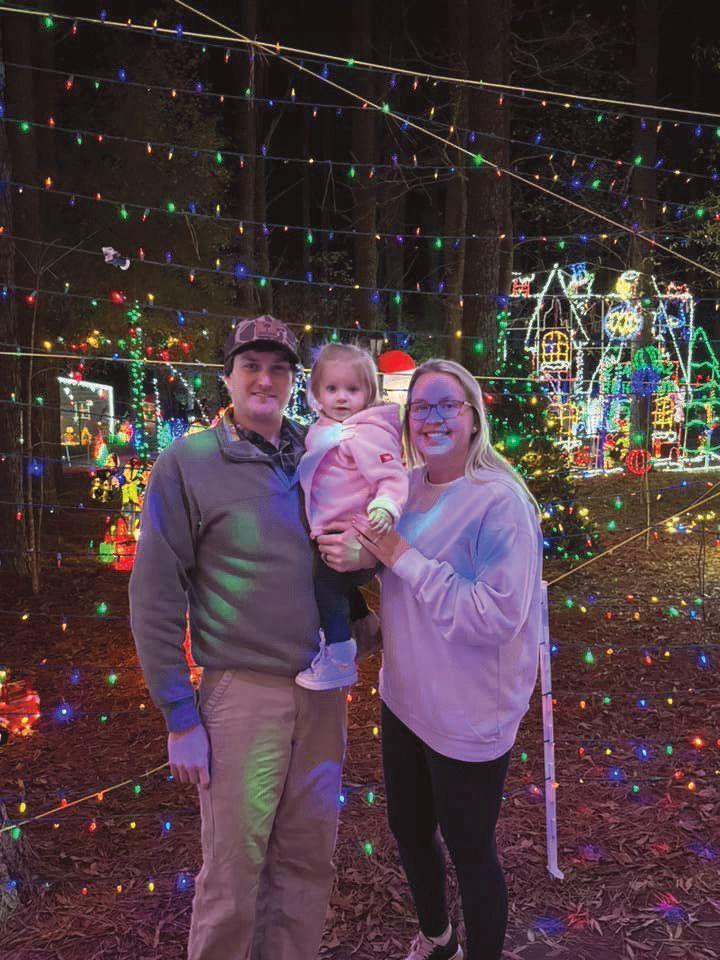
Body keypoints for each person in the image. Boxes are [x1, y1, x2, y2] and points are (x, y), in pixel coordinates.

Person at [129, 315, 349, 960]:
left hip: (322, 695)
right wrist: (179, 716)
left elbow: (347, 558)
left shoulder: (322, 455)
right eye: (251, 366)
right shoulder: (190, 463)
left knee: (308, 861)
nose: (265, 379)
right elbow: (156, 593)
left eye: (279, 368)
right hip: (242, 694)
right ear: (226, 377)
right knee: (232, 873)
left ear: (294, 381)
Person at [320, 358, 543, 960]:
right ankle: (438, 939)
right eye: (421, 406)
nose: (434, 418)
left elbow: (495, 617)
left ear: (473, 418)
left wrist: (403, 557)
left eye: (448, 405)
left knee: (471, 850)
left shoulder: (500, 502)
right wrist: (357, 593)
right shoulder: (403, 489)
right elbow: (371, 559)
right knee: (410, 831)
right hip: (404, 700)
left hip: (469, 713)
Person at [296, 343, 408, 691]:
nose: (342, 397)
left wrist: (384, 506)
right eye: (332, 388)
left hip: (354, 530)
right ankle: (362, 625)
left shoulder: (364, 432)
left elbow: (391, 476)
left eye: (352, 389)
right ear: (317, 393)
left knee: (325, 587)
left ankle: (339, 656)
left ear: (369, 393)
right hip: (330, 527)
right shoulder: (323, 428)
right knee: (329, 585)